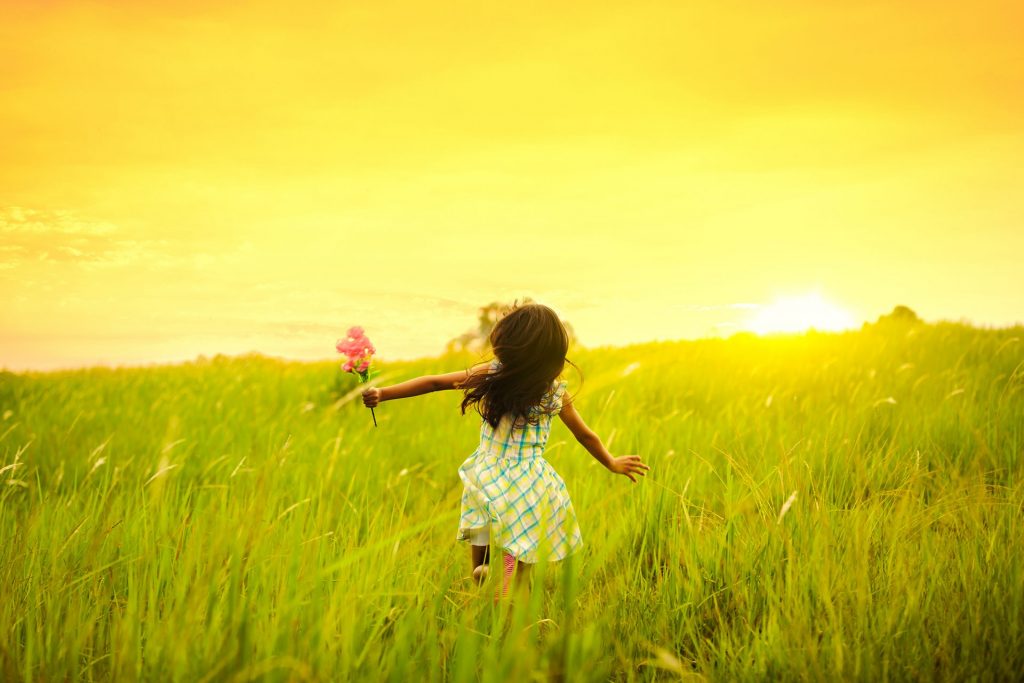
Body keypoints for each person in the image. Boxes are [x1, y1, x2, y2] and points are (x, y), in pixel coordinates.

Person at [361, 303, 649, 598]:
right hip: (528, 480)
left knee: (480, 524)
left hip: (488, 471)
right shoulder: (553, 392)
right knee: (522, 542)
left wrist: (383, 393)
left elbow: (434, 382)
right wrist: (612, 462)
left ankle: (483, 578)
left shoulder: (493, 374)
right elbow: (585, 436)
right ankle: (511, 585)